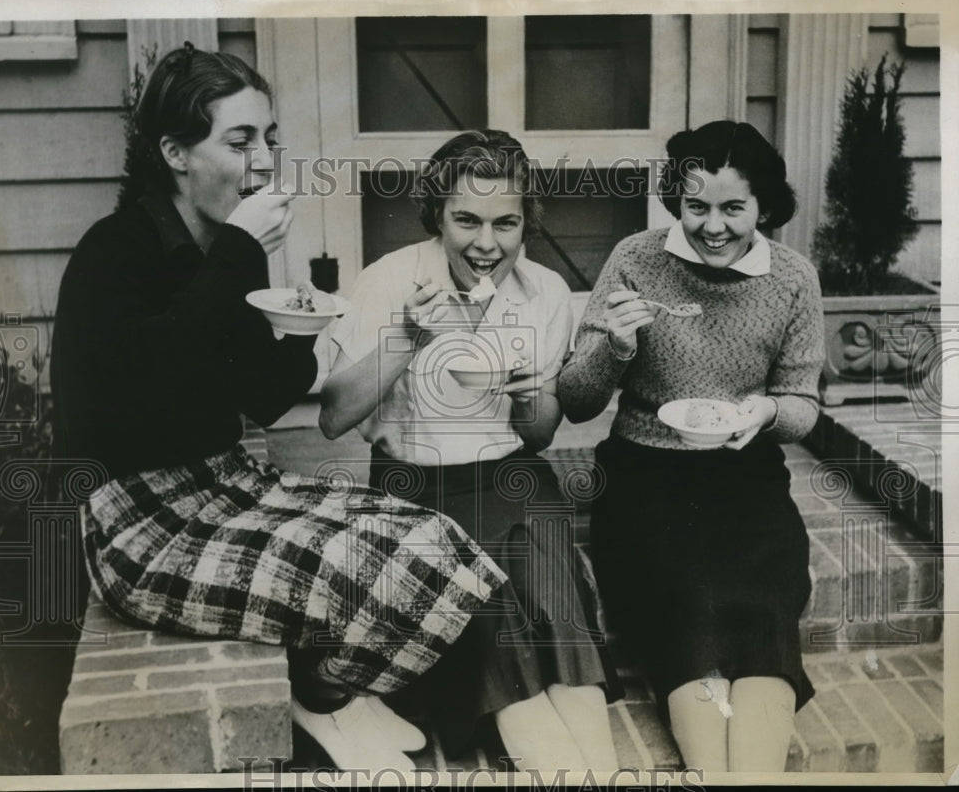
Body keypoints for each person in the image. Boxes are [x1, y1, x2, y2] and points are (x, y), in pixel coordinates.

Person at [50, 45, 508, 773]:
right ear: (173, 151)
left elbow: (263, 396)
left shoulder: (231, 253)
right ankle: (324, 700)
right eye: (239, 141)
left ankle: (325, 687)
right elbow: (137, 395)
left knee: (431, 538)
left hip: (226, 479)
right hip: (139, 520)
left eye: (268, 138)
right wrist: (237, 252)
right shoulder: (114, 255)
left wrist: (298, 325)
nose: (264, 162)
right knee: (365, 565)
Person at [319, 129, 621, 772]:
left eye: (506, 223)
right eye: (467, 220)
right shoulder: (392, 278)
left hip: (514, 480)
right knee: (497, 616)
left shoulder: (543, 294)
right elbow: (333, 415)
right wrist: (406, 335)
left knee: (554, 606)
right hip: (416, 490)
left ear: (526, 221)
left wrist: (528, 390)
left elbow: (538, 436)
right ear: (437, 215)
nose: (487, 244)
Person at [557, 119, 825, 772]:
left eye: (733, 208)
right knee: (686, 604)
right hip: (644, 474)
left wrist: (765, 411)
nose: (712, 225)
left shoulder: (793, 278)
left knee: (763, 611)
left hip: (746, 473)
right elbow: (575, 399)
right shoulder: (636, 258)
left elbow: (803, 405)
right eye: (696, 205)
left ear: (765, 206)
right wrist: (612, 348)